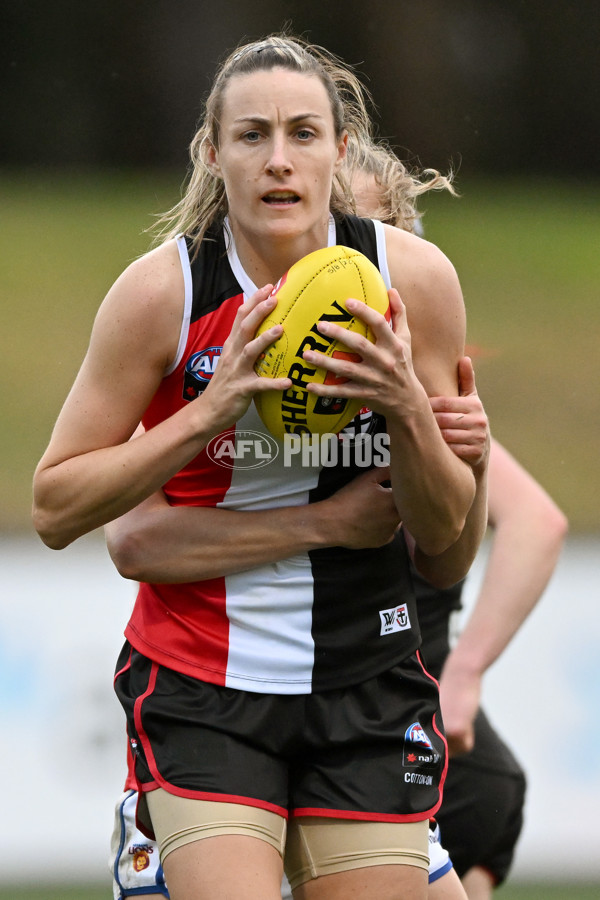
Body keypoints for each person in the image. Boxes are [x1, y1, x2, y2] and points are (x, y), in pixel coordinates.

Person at [33, 34, 488, 900]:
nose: (278, 161)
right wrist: (209, 410)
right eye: (251, 136)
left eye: (303, 134)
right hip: (204, 685)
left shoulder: (414, 283)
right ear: (213, 152)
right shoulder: (163, 294)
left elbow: (444, 547)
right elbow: (56, 508)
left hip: (368, 677)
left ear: (340, 150)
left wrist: (404, 409)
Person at [346, 142, 568, 897]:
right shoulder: (235, 374)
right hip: (269, 708)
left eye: (367, 240)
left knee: (487, 794)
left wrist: (463, 674)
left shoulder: (427, 398)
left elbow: (535, 523)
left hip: (401, 708)